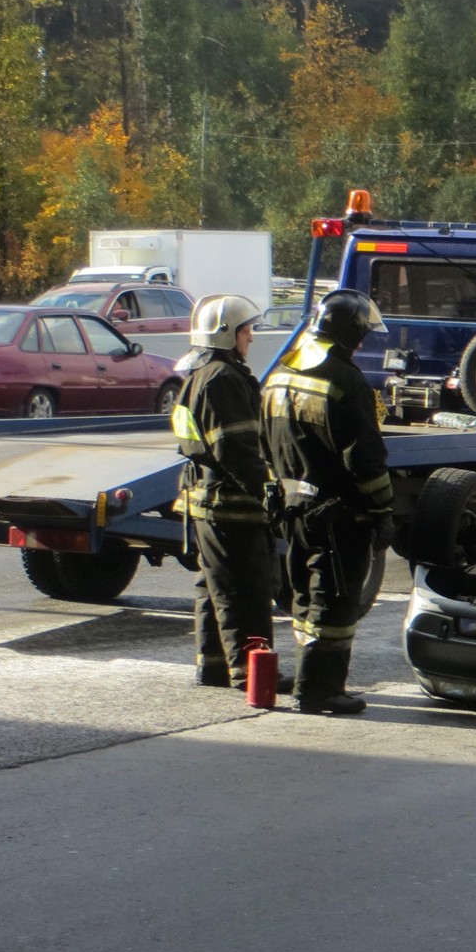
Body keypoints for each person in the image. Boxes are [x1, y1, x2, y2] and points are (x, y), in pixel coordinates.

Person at [262, 290, 393, 715]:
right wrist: (381, 509)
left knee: (303, 594)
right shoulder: (346, 380)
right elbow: (366, 460)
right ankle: (320, 691)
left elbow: (263, 441)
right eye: (362, 334)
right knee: (334, 600)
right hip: (338, 513)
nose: (363, 343)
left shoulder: (282, 371)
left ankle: (308, 680)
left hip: (290, 505)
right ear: (351, 332)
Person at [173, 293, 283, 692]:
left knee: (213, 587)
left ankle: (215, 666)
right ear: (227, 335)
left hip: (206, 502)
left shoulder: (200, 373)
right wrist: (268, 490)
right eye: (246, 330)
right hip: (230, 507)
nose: (251, 337)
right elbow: (236, 449)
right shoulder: (224, 379)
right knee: (247, 591)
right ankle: (250, 673)